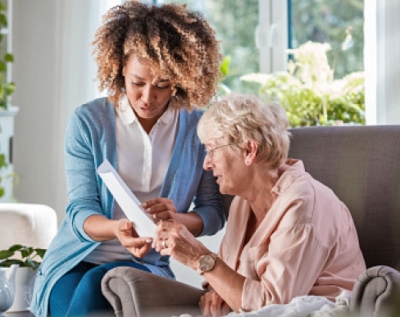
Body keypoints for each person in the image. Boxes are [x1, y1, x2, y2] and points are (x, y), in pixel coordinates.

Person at [30, 1, 226, 316]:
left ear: (180, 78)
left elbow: (213, 213)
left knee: (98, 284)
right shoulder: (88, 122)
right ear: (121, 67)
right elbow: (80, 209)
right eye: (138, 83)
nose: (148, 97)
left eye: (162, 85)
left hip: (145, 263)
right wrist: (116, 229)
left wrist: (175, 221)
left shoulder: (197, 129)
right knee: (83, 292)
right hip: (76, 260)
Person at [153, 94, 367, 316]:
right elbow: (225, 278)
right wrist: (217, 292)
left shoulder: (303, 205)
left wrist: (198, 257)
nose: (206, 164)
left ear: (249, 151)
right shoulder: (241, 204)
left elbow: (274, 307)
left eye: (212, 150)